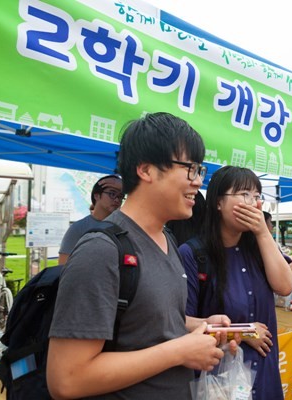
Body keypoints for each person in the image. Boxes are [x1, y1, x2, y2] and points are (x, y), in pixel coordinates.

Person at [47, 112, 236, 399]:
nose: (198, 182)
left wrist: (201, 327)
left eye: (200, 171)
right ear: (146, 170)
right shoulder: (101, 250)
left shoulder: (167, 239)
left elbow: (147, 317)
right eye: (190, 168)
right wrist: (179, 351)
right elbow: (67, 379)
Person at [179, 165, 292, 400]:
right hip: (220, 378)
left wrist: (263, 233)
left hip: (265, 371)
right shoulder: (192, 253)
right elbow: (182, 323)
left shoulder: (260, 247)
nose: (253, 202)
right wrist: (245, 333)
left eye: (257, 196)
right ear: (218, 203)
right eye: (244, 194)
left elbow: (285, 287)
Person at [57, 174, 123, 265]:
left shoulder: (123, 227)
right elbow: (63, 266)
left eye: (120, 196)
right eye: (112, 194)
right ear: (97, 196)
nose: (117, 200)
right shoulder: (78, 228)